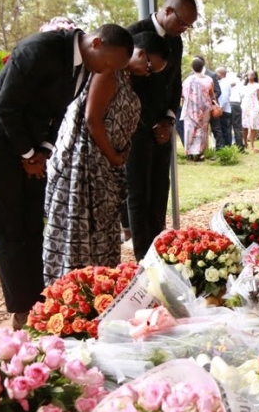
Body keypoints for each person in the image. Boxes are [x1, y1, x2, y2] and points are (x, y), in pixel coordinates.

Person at [0, 24, 132, 328]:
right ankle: (21, 309)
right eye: (108, 63)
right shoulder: (38, 49)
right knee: (9, 227)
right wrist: (28, 155)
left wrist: (42, 150)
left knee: (31, 224)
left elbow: (58, 112)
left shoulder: (86, 66)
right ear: (97, 43)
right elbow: (6, 106)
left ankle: (39, 297)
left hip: (31, 144)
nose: (108, 71)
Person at [43, 32, 169, 284]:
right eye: (149, 66)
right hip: (86, 165)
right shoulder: (107, 72)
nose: (148, 73)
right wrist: (113, 156)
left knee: (102, 234)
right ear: (140, 53)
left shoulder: (125, 78)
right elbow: (92, 119)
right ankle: (73, 293)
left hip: (107, 166)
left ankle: (99, 289)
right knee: (81, 235)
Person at [126, 0, 197, 260]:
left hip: (162, 127)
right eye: (182, 23)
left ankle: (159, 248)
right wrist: (143, 124)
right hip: (135, 127)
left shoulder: (176, 42)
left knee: (159, 188)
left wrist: (168, 119)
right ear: (167, 11)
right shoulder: (132, 35)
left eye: (188, 26)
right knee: (138, 192)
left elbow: (175, 82)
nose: (183, 30)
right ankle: (143, 257)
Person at [180, 58, 214, 160]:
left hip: (190, 109)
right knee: (202, 131)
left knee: (189, 130)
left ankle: (189, 153)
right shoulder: (209, 79)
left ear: (192, 68)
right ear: (203, 67)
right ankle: (199, 153)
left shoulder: (188, 80)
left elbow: (182, 94)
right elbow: (211, 94)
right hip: (204, 110)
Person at [240, 70, 259, 152]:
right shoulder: (244, 86)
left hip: (254, 106)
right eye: (248, 74)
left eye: (252, 74)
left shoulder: (257, 86)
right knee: (244, 125)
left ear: (254, 76)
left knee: (254, 125)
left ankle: (252, 143)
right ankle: (245, 142)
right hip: (245, 106)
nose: (250, 76)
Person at [227, 71, 244, 151]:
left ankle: (227, 147)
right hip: (236, 103)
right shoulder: (237, 80)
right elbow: (242, 94)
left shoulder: (224, 79)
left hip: (227, 104)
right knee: (237, 127)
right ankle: (240, 147)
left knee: (227, 127)